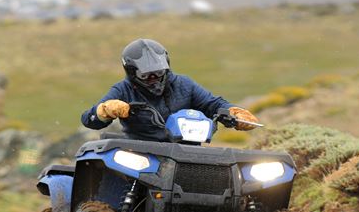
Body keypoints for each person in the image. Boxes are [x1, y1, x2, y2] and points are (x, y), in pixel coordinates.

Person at [81, 38, 260, 141]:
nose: (154, 79)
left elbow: (212, 103)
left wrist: (235, 112)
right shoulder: (123, 90)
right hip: (139, 152)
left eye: (158, 73)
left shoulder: (184, 84)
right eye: (146, 75)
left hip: (185, 150)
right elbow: (89, 120)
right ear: (131, 72)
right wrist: (104, 110)